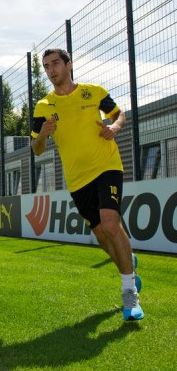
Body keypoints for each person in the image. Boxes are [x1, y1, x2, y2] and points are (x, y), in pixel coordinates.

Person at [31, 48, 144, 321]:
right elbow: (35, 149)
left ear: (69, 65)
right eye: (46, 66)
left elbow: (118, 114)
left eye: (55, 63)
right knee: (104, 238)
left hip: (107, 166)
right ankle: (128, 267)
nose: (51, 70)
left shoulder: (92, 92)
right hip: (77, 179)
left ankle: (130, 296)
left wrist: (114, 128)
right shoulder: (43, 106)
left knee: (110, 223)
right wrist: (43, 136)